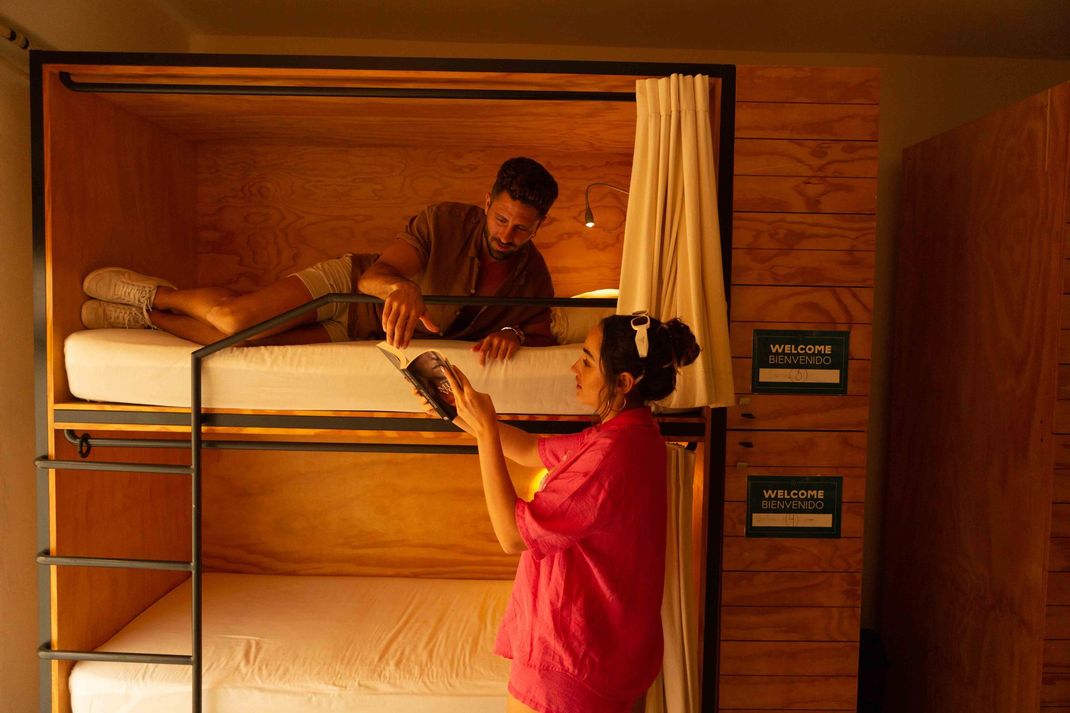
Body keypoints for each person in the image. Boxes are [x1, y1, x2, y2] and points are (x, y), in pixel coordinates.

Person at [424, 311, 701, 713]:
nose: (575, 367)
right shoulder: (628, 435)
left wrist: (484, 431)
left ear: (623, 382)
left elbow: (511, 536)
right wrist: (457, 410)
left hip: (572, 664)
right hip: (606, 657)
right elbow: (525, 449)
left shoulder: (611, 456)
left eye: (587, 360)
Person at [79, 157, 560, 363]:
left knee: (243, 342)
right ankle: (154, 292)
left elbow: (539, 329)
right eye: (501, 219)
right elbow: (377, 274)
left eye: (522, 227)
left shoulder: (531, 272)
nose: (507, 235)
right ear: (487, 202)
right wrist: (400, 289)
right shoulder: (446, 221)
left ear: (539, 225)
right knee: (232, 316)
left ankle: (142, 316)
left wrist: (510, 332)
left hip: (359, 327)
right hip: (344, 285)